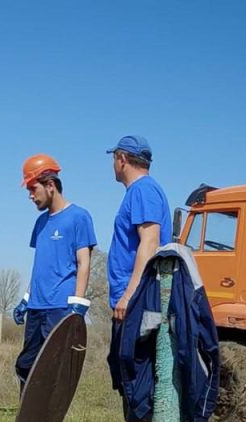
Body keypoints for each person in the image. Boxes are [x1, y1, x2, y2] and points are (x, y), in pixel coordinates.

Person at [12, 153, 96, 388]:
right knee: (26, 365)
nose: (30, 196)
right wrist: (26, 298)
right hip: (36, 307)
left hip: (59, 307)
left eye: (32, 188)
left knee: (53, 369)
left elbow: (84, 263)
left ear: (50, 185)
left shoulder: (79, 217)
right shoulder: (40, 223)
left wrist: (77, 305)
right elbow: (40, 266)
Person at [105, 135, 172, 406]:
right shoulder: (140, 191)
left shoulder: (143, 190)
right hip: (132, 299)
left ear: (122, 159)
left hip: (139, 301)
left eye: (113, 159)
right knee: (124, 368)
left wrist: (130, 295)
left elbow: (150, 242)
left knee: (137, 375)